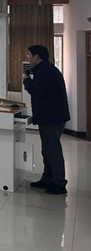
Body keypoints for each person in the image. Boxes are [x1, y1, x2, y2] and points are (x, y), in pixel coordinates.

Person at [23, 45, 71, 195]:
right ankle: (47, 179)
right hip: (49, 116)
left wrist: (26, 80)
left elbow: (37, 91)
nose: (27, 58)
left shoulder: (46, 72)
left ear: (37, 57)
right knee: (47, 150)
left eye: (29, 55)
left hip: (52, 118)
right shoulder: (45, 70)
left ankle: (59, 183)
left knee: (52, 151)